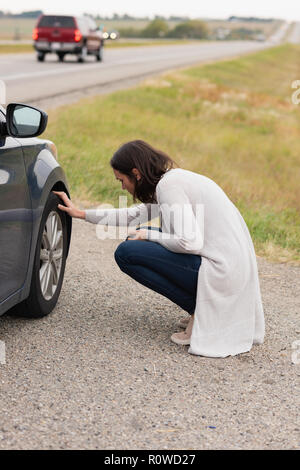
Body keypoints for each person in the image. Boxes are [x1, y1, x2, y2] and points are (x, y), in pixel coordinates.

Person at [53, 140, 265, 358]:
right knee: (135, 238)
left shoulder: (169, 187)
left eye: (122, 180)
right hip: (230, 269)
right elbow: (133, 215)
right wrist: (81, 214)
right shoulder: (171, 181)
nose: (122, 187)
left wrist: (149, 234)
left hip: (222, 272)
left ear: (136, 173)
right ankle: (201, 308)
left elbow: (190, 243)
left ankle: (198, 310)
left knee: (127, 253)